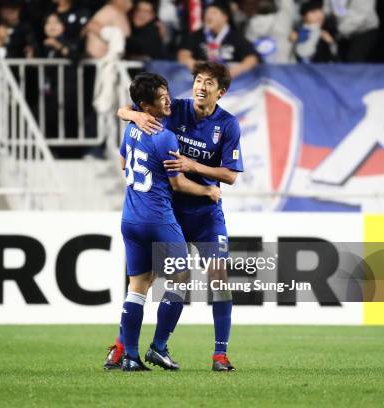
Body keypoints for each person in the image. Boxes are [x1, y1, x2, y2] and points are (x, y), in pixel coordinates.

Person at [117, 61, 244, 372]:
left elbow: (230, 176)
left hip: (206, 216)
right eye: (198, 80)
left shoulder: (228, 125)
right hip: (170, 209)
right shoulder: (175, 109)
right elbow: (127, 108)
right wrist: (134, 114)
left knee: (219, 278)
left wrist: (194, 166)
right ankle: (125, 348)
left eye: (209, 83)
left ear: (221, 92)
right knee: (147, 281)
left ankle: (220, 354)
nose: (200, 86)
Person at [177, 1, 259, 78]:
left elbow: (252, 58)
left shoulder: (236, 37)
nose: (208, 16)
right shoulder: (197, 35)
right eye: (206, 12)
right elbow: (183, 54)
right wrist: (194, 65)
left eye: (214, 13)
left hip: (231, 83)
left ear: (225, 17)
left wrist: (233, 72)